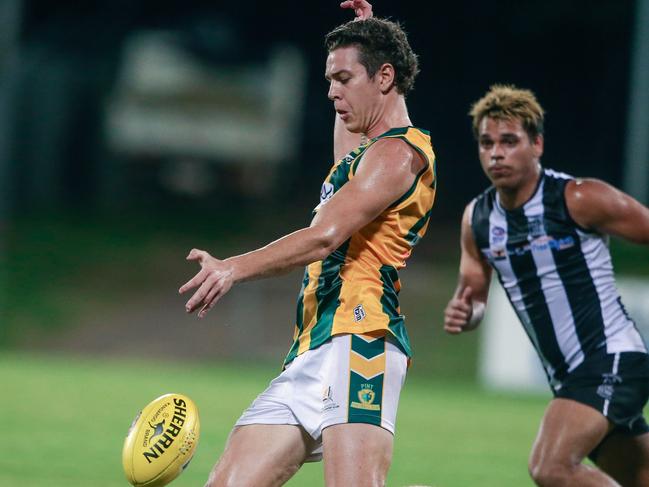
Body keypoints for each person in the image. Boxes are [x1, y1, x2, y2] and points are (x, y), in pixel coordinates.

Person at [179, 1, 437, 486]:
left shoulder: (399, 155)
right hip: (313, 347)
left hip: (363, 341)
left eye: (343, 79)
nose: (331, 92)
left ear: (384, 78)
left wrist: (233, 267)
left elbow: (324, 236)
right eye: (328, 80)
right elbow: (350, 142)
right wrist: (366, 32)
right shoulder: (365, 155)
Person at [444, 84, 649, 486]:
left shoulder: (579, 198)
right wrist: (467, 313)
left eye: (509, 141)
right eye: (486, 143)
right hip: (569, 376)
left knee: (550, 467)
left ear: (536, 144)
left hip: (612, 359)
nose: (496, 153)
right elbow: (474, 296)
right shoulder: (478, 220)